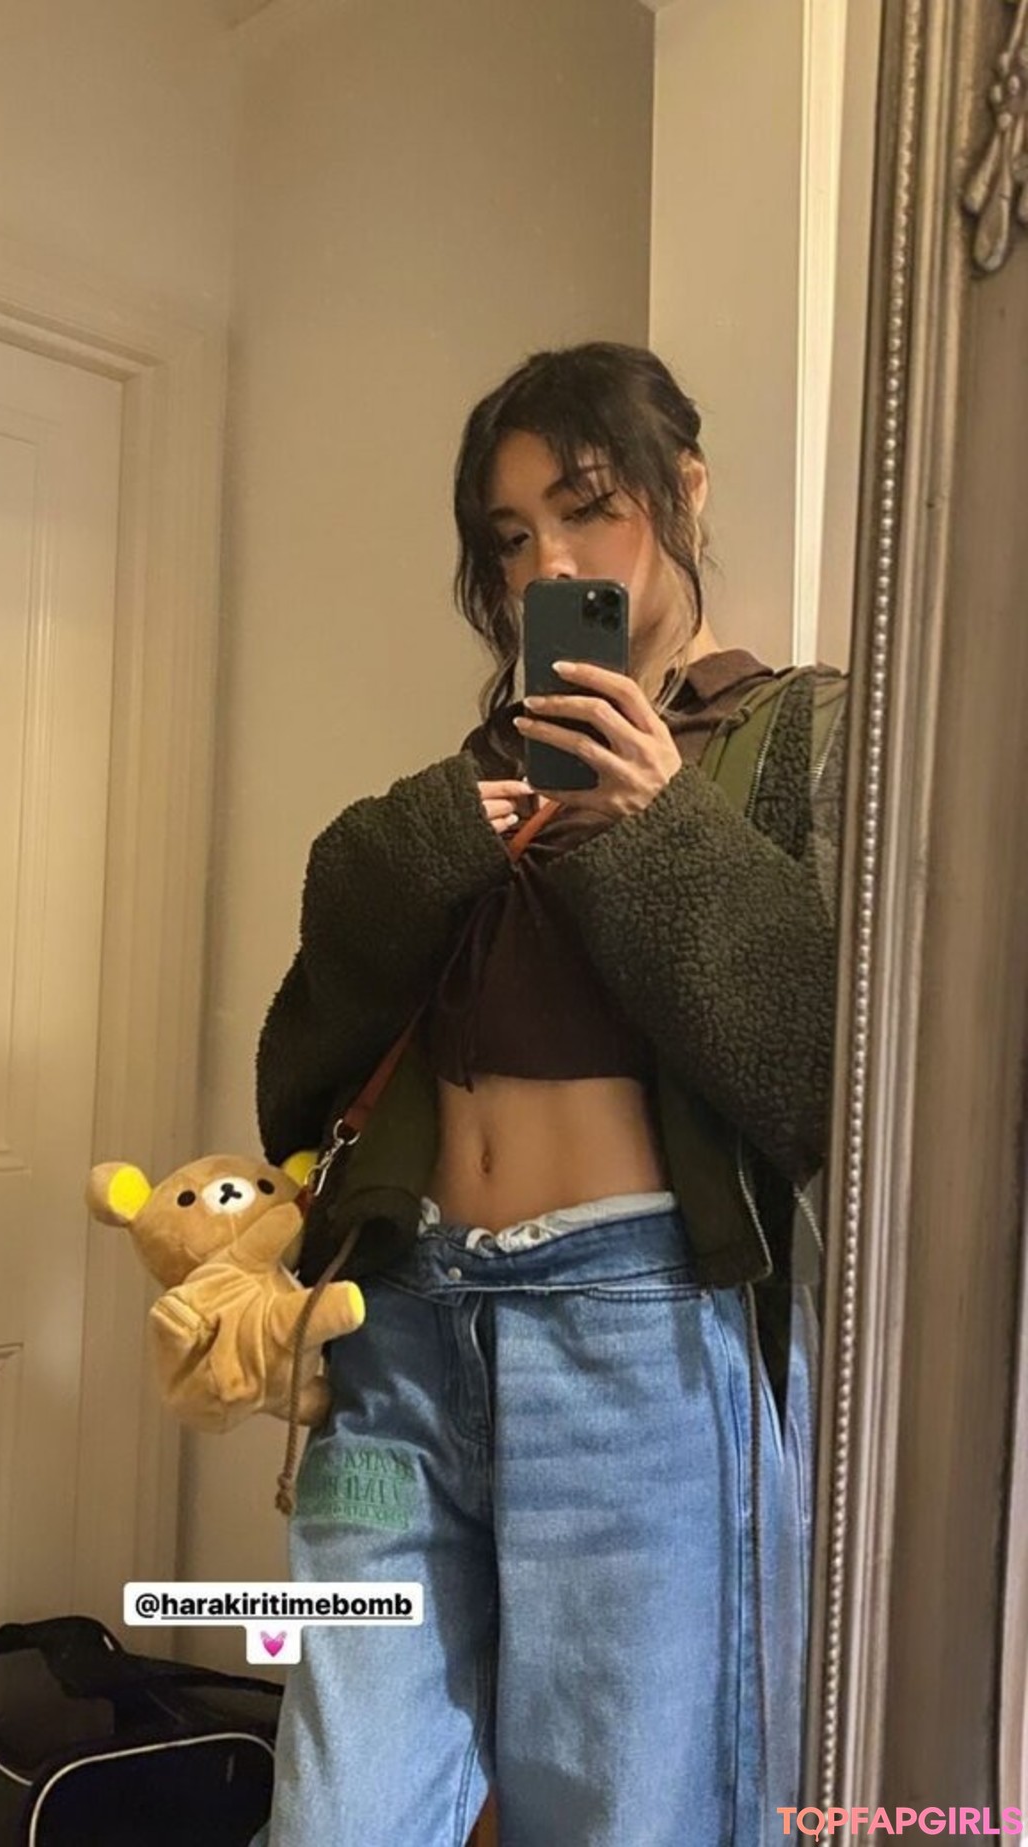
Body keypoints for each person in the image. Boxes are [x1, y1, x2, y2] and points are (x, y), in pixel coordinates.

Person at [250, 342, 846, 1847]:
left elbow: (827, 1074)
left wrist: (658, 820)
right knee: (333, 1816)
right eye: (512, 537)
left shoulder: (798, 736)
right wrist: (445, 829)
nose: (548, 567)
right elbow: (303, 1053)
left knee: (628, 1817)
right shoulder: (484, 775)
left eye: (587, 510)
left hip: (635, 1344)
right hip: (399, 1334)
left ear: (685, 491)